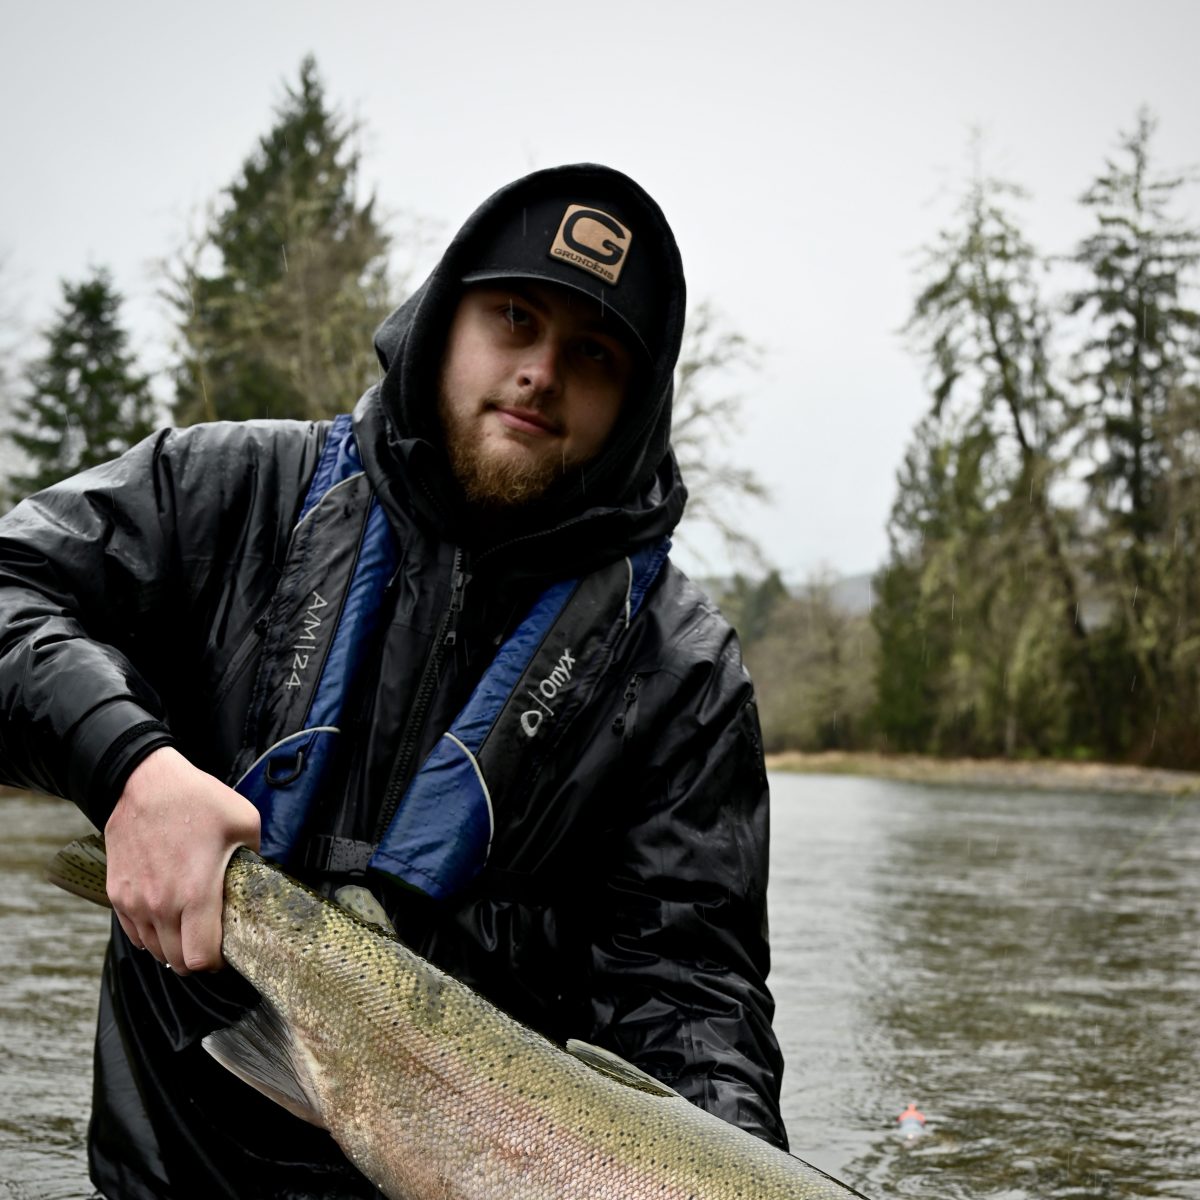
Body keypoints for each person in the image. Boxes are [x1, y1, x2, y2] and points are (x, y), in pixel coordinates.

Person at [0, 163, 786, 1197]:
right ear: (443, 319)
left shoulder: (681, 673)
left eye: (592, 354)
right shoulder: (238, 495)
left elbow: (690, 995)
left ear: (636, 402)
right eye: (514, 319)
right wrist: (128, 767)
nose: (541, 372)